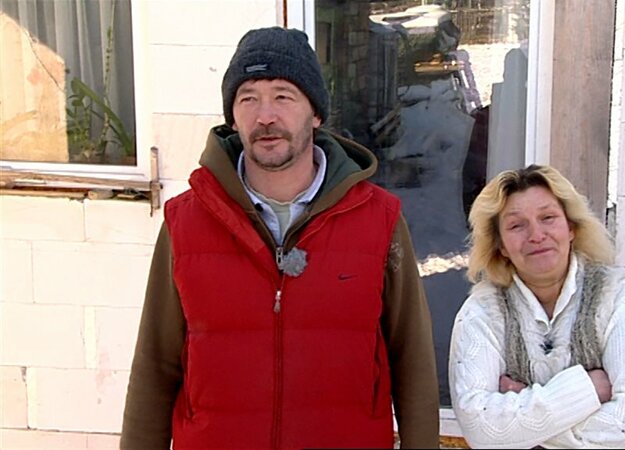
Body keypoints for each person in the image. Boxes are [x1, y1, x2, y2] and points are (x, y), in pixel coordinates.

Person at [120, 27, 440, 449]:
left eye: (283, 96)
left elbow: (412, 361)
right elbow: (155, 367)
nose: (265, 116)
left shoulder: (378, 219)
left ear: (316, 113)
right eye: (248, 98)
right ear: (232, 117)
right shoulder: (187, 221)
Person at [448, 164, 625, 448]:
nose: (536, 235)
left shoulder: (617, 297)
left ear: (571, 228)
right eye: (516, 225)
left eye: (548, 218)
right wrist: (588, 390)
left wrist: (526, 422)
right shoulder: (483, 311)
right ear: (501, 245)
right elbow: (481, 430)